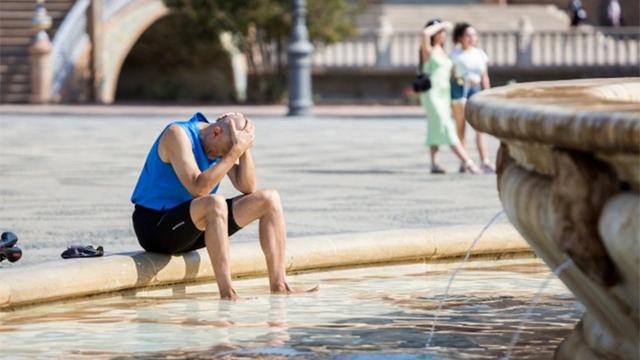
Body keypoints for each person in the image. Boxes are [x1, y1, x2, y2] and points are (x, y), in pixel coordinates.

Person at [130, 112, 316, 300]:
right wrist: (234, 151)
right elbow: (199, 188)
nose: (218, 158)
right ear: (215, 132)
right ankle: (227, 293)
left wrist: (244, 147)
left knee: (269, 199)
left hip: (192, 226)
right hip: (156, 228)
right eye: (221, 153)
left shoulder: (221, 141)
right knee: (215, 202)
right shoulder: (176, 135)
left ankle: (279, 286)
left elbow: (247, 186)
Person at [419, 19, 480, 174]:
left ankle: (434, 163)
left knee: (435, 127)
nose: (443, 35)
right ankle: (468, 162)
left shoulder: (444, 52)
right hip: (432, 94)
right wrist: (441, 24)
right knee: (447, 127)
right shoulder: (428, 50)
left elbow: (453, 74)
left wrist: (466, 79)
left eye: (444, 33)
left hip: (445, 94)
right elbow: (424, 33)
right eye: (440, 33)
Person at [450, 22, 495, 174]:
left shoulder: (480, 53)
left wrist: (487, 94)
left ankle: (485, 160)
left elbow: (485, 76)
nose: (471, 38)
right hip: (460, 91)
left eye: (473, 35)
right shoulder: (454, 55)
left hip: (476, 91)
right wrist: (462, 80)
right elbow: (450, 76)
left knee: (479, 128)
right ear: (460, 37)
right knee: (461, 127)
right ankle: (464, 161)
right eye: (468, 35)